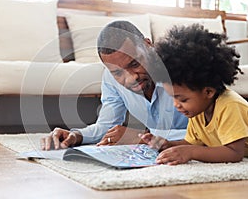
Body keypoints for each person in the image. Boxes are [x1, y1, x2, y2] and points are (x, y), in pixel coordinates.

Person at [41, 21, 188, 150]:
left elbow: (208, 133)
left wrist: (144, 137)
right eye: (118, 72)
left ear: (148, 45)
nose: (131, 79)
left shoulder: (179, 67)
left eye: (135, 64)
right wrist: (76, 136)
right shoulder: (110, 78)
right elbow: (107, 126)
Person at [140, 24, 248, 165]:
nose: (176, 105)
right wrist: (168, 145)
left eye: (182, 99)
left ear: (208, 92)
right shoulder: (198, 111)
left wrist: (190, 152)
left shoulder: (230, 106)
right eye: (173, 98)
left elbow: (234, 153)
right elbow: (192, 143)